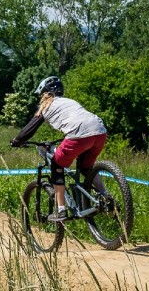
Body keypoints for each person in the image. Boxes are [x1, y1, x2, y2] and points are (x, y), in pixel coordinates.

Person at [10, 76, 108, 222]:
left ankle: (61, 210)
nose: (41, 97)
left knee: (57, 164)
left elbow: (29, 129)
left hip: (78, 134)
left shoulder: (46, 106)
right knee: (86, 167)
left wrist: (17, 141)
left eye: (42, 94)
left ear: (46, 93)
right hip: (100, 131)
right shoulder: (70, 101)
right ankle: (105, 196)